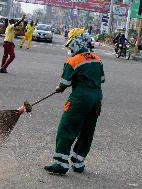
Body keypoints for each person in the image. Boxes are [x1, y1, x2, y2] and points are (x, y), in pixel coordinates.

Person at [44, 28, 105, 175]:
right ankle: (78, 163)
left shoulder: (73, 61)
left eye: (70, 45)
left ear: (76, 42)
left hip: (80, 99)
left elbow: (64, 83)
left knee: (66, 128)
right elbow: (101, 80)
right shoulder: (97, 59)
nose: (69, 48)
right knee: (87, 131)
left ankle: (60, 163)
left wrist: (60, 88)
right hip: (97, 99)